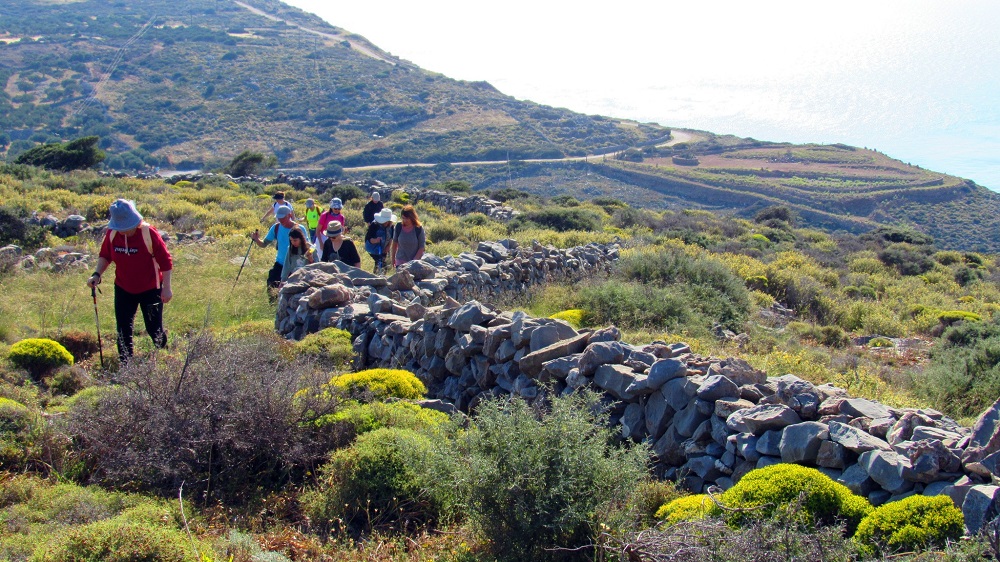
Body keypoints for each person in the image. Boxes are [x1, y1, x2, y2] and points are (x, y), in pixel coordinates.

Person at [86, 199, 173, 363]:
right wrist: (96, 274)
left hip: (150, 289)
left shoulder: (149, 233)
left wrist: (166, 288)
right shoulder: (112, 234)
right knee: (123, 330)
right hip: (123, 288)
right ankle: (126, 366)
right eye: (121, 228)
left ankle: (165, 359)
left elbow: (166, 262)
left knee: (154, 329)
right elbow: (105, 256)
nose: (124, 231)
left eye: (127, 227)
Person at [251, 205, 310, 293]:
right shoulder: (276, 227)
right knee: (272, 286)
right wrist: (256, 239)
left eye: (283, 218)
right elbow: (264, 244)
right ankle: (274, 301)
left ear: (289, 215)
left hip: (296, 265)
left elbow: (307, 246)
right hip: (280, 264)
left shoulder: (300, 228)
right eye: (279, 218)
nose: (280, 220)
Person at [365, 208, 396, 274]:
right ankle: (376, 276)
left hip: (384, 249)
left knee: (384, 265)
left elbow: (391, 238)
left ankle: (380, 276)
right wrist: (376, 240)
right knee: (379, 263)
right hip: (374, 249)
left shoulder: (391, 227)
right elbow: (368, 238)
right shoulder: (374, 225)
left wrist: (388, 247)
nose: (386, 222)